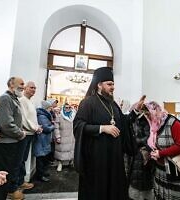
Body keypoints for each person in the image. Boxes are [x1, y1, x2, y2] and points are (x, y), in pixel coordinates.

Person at [73, 67, 137, 200]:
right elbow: (78, 125)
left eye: (113, 84)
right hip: (96, 158)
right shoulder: (87, 103)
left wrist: (134, 111)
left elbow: (122, 122)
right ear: (99, 85)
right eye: (109, 84)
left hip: (114, 157)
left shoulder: (113, 104)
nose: (112, 87)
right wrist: (102, 128)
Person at [147, 101, 180, 200]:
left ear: (155, 112)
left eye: (149, 115)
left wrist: (161, 153)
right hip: (161, 170)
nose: (148, 118)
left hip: (176, 171)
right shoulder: (155, 125)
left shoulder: (173, 123)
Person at [0, 77, 26, 200]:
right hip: (6, 144)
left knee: (7, 176)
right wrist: (20, 134)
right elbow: (6, 123)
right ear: (11, 84)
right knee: (1, 178)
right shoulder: (5, 98)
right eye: (21, 84)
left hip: (13, 142)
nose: (23, 86)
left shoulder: (14, 99)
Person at [128, 102, 154, 200]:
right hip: (136, 154)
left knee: (141, 183)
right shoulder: (134, 120)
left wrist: (134, 141)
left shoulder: (144, 120)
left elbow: (148, 138)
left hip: (142, 154)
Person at [18, 81, 42, 188]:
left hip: (30, 133)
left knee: (24, 158)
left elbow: (32, 118)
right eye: (31, 87)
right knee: (21, 159)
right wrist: (36, 128)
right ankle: (18, 184)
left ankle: (21, 182)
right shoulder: (22, 100)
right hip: (25, 134)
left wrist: (37, 127)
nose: (34, 89)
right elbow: (24, 119)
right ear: (25, 88)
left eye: (35, 88)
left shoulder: (30, 101)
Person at [34, 100, 56, 182]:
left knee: (43, 158)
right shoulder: (42, 116)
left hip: (43, 140)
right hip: (41, 140)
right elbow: (46, 128)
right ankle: (40, 176)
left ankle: (42, 173)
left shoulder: (44, 115)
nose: (51, 109)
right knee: (40, 159)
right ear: (46, 108)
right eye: (50, 108)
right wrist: (53, 126)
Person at [54, 103, 76, 172]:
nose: (68, 109)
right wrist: (58, 136)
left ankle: (71, 162)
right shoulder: (59, 116)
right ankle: (60, 164)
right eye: (66, 107)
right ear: (63, 108)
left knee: (71, 150)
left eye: (69, 107)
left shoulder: (73, 116)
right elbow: (56, 127)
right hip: (63, 136)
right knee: (62, 151)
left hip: (72, 137)